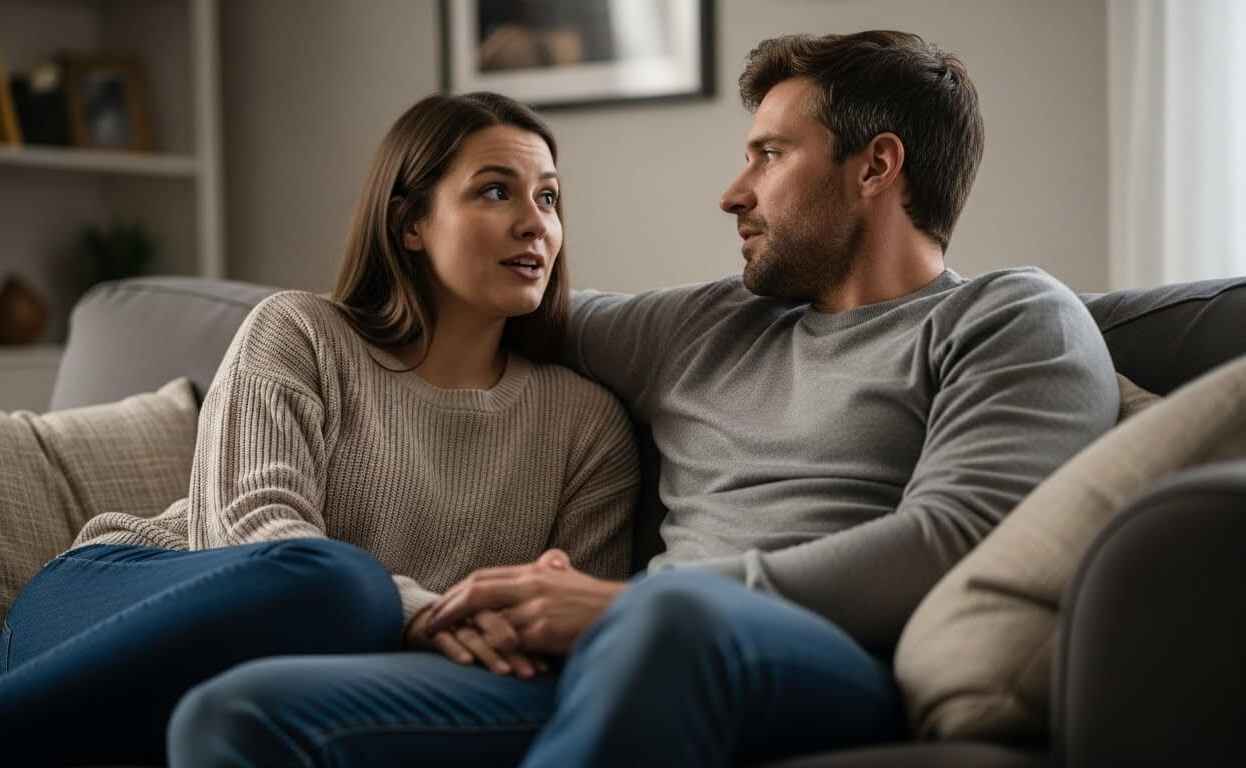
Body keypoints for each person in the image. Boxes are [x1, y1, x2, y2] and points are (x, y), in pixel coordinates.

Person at [162, 30, 1120, 767]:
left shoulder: (1010, 317)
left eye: (768, 155)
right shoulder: (705, 325)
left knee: (670, 621)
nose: (733, 193)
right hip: (624, 652)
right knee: (236, 713)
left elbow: (958, 535)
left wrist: (628, 601)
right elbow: (497, 303)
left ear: (875, 166)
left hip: (825, 661)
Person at [0, 92, 638, 768]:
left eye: (548, 198)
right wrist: (418, 614)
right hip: (109, 607)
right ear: (409, 222)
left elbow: (567, 625)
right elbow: (248, 535)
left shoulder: (587, 425)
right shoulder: (303, 333)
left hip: (298, 678)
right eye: (496, 191)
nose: (535, 223)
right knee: (339, 582)